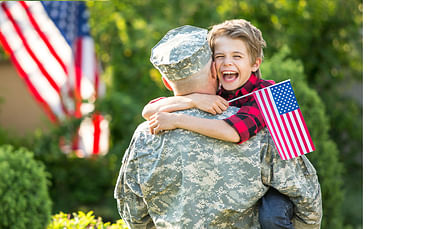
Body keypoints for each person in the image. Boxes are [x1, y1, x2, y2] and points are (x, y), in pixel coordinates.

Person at [114, 25, 322, 229]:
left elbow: (133, 211)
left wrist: (179, 118)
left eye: (237, 56)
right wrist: (193, 101)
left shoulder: (267, 100)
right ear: (213, 69)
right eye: (220, 57)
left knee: (273, 215)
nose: (227, 63)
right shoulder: (224, 101)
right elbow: (306, 196)